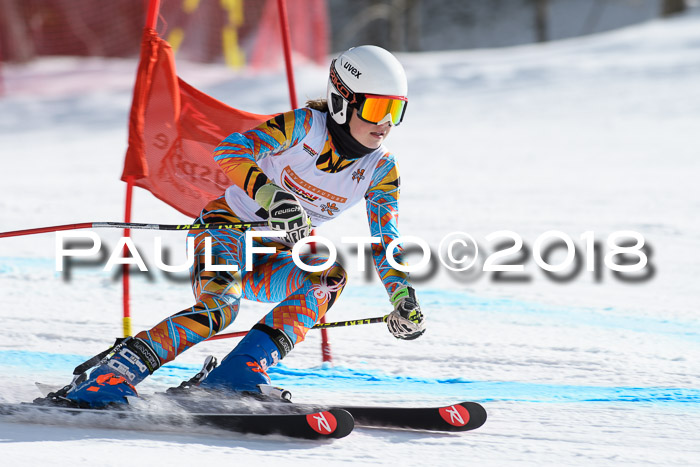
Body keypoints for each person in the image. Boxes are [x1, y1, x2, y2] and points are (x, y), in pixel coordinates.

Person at [60, 45, 426, 408]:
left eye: (396, 111)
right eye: (378, 108)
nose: (386, 124)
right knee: (220, 309)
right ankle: (113, 374)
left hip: (274, 256)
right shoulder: (304, 127)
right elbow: (231, 150)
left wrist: (401, 295)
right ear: (342, 100)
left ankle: (238, 372)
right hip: (226, 231)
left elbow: (385, 240)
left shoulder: (381, 169)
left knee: (329, 277)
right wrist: (270, 196)